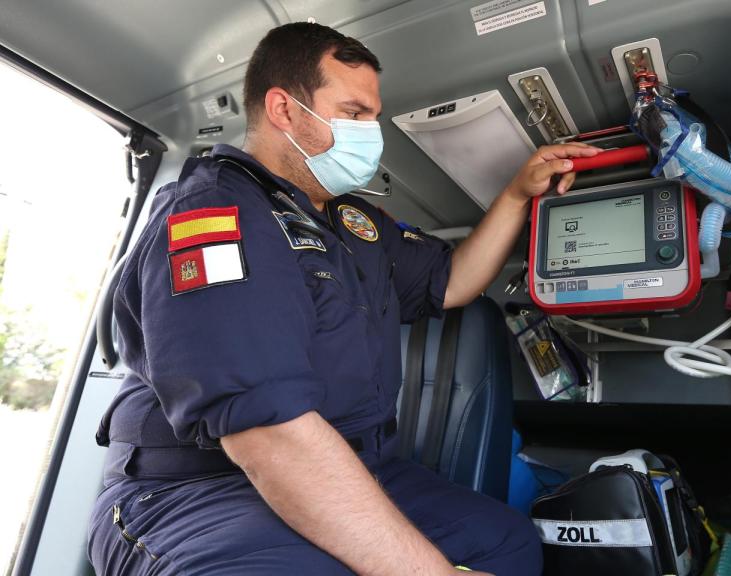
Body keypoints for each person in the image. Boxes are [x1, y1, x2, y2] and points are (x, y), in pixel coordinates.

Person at [87, 22, 598, 576]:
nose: (370, 131)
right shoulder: (216, 213)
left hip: (352, 463)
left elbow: (451, 280)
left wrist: (518, 194)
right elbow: (268, 434)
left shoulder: (353, 224)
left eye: (372, 116)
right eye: (354, 114)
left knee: (506, 543)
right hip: (196, 490)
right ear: (284, 110)